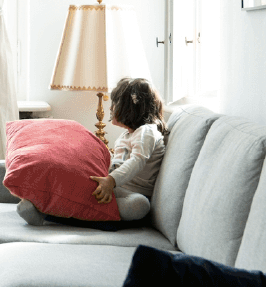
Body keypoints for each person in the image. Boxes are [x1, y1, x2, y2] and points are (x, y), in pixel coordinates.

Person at [17, 77, 168, 229]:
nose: (111, 109)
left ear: (129, 108)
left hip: (129, 191)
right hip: (115, 187)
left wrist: (111, 180)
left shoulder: (146, 131)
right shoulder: (128, 135)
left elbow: (137, 160)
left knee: (140, 205)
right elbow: (117, 161)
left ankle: (46, 214)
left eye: (115, 104)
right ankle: (41, 205)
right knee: (75, 181)